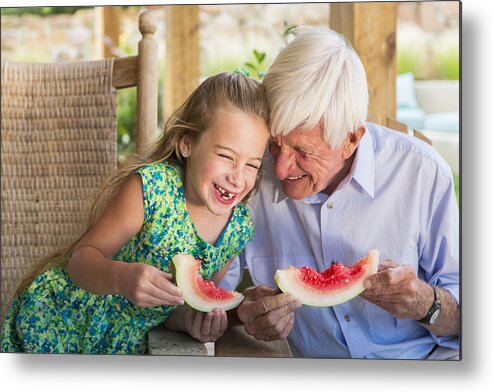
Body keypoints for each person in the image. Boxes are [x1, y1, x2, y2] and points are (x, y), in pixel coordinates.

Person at [220, 28, 460, 360]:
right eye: (275, 145)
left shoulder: (424, 174)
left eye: (303, 152)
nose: (280, 169)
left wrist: (424, 302)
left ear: (351, 139)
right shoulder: (249, 174)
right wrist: (242, 314)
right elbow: (204, 300)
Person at [1, 71, 270, 354]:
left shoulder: (236, 230)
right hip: (60, 322)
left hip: (128, 348)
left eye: (252, 165)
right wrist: (123, 278)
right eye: (226, 156)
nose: (238, 178)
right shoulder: (151, 188)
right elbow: (80, 261)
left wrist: (193, 321)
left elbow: (182, 306)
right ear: (187, 143)